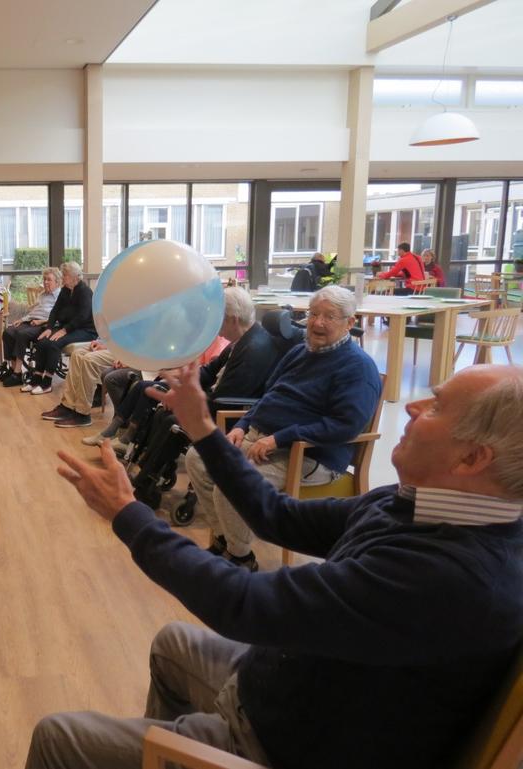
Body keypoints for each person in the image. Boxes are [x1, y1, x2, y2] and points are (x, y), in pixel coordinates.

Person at [28, 362, 523, 769]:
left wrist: (128, 514)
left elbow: (243, 602)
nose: (411, 406)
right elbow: (277, 516)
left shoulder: (452, 577)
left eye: (434, 405)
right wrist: (201, 428)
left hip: (282, 743)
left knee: (59, 738)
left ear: (473, 458)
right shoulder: (420, 506)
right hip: (288, 690)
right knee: (171, 643)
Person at [185, 285, 381, 571]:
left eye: (329, 317)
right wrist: (242, 425)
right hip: (262, 438)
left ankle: (239, 559)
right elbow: (268, 396)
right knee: (198, 459)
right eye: (313, 314)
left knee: (231, 482)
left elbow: (345, 426)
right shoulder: (300, 352)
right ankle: (228, 544)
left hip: (311, 453)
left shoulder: (358, 368)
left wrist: (281, 438)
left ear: (350, 323)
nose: (317, 323)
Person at [104, 288, 282, 453]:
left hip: (223, 410)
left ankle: (147, 468)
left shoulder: (252, 350)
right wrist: (182, 380)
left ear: (233, 320)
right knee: (150, 391)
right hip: (214, 397)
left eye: (220, 322)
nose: (218, 330)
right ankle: (136, 449)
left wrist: (184, 397)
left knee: (168, 418)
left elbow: (224, 397)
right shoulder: (242, 341)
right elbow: (209, 371)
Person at [27, 261, 97, 394]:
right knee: (42, 341)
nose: (63, 277)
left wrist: (64, 330)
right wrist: (49, 327)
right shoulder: (65, 290)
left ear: (74, 277)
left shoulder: (84, 291)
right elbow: (55, 309)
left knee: (54, 343)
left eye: (65, 275)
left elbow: (83, 316)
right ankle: (36, 379)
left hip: (86, 330)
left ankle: (47, 383)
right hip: (70, 327)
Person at [0, 267, 61, 388]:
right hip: (32, 321)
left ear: (57, 282)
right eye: (44, 279)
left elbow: (59, 318)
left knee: (22, 334)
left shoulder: (60, 297)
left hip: (45, 325)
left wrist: (40, 321)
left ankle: (17, 374)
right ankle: (12, 369)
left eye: (49, 280)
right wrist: (21, 320)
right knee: (8, 332)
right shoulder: (42, 295)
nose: (46, 282)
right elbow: (33, 311)